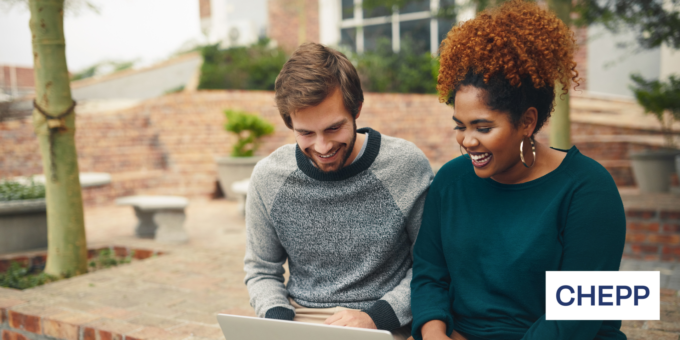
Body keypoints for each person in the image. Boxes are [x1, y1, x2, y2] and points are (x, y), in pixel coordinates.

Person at [410, 1, 627, 339]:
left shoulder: (588, 189)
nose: (467, 141)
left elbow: (577, 316)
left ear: (527, 121)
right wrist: (434, 333)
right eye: (460, 126)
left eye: (483, 128)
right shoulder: (451, 181)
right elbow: (429, 273)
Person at [243, 42, 433, 340]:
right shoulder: (269, 178)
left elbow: (430, 265)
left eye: (333, 128)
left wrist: (376, 318)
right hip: (299, 321)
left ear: (356, 108)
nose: (322, 147)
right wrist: (277, 326)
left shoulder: (405, 166)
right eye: (305, 132)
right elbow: (262, 270)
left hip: (383, 322)